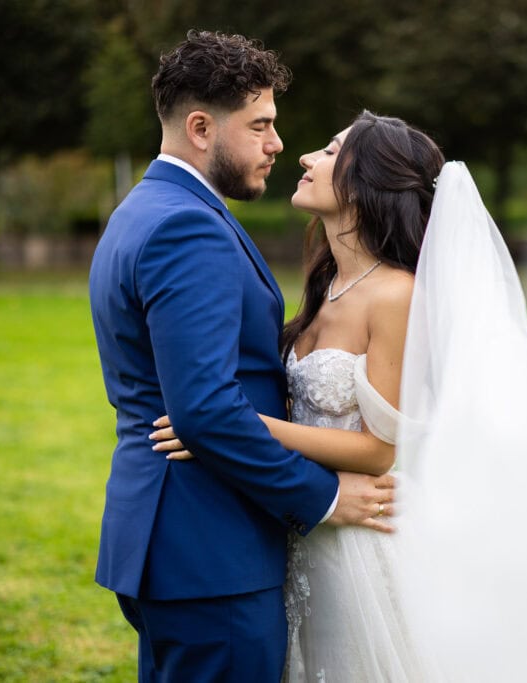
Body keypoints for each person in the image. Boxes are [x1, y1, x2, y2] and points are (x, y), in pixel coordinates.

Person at [88, 31, 395, 682]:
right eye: (260, 125)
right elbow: (203, 411)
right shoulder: (185, 226)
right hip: (209, 549)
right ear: (201, 127)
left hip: (176, 539)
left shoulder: (144, 209)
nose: (278, 144)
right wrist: (325, 497)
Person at [151, 110, 446, 681]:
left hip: (358, 543)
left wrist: (225, 426)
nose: (305, 157)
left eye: (331, 151)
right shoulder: (326, 282)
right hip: (297, 533)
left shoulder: (397, 295)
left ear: (370, 182)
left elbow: (378, 451)